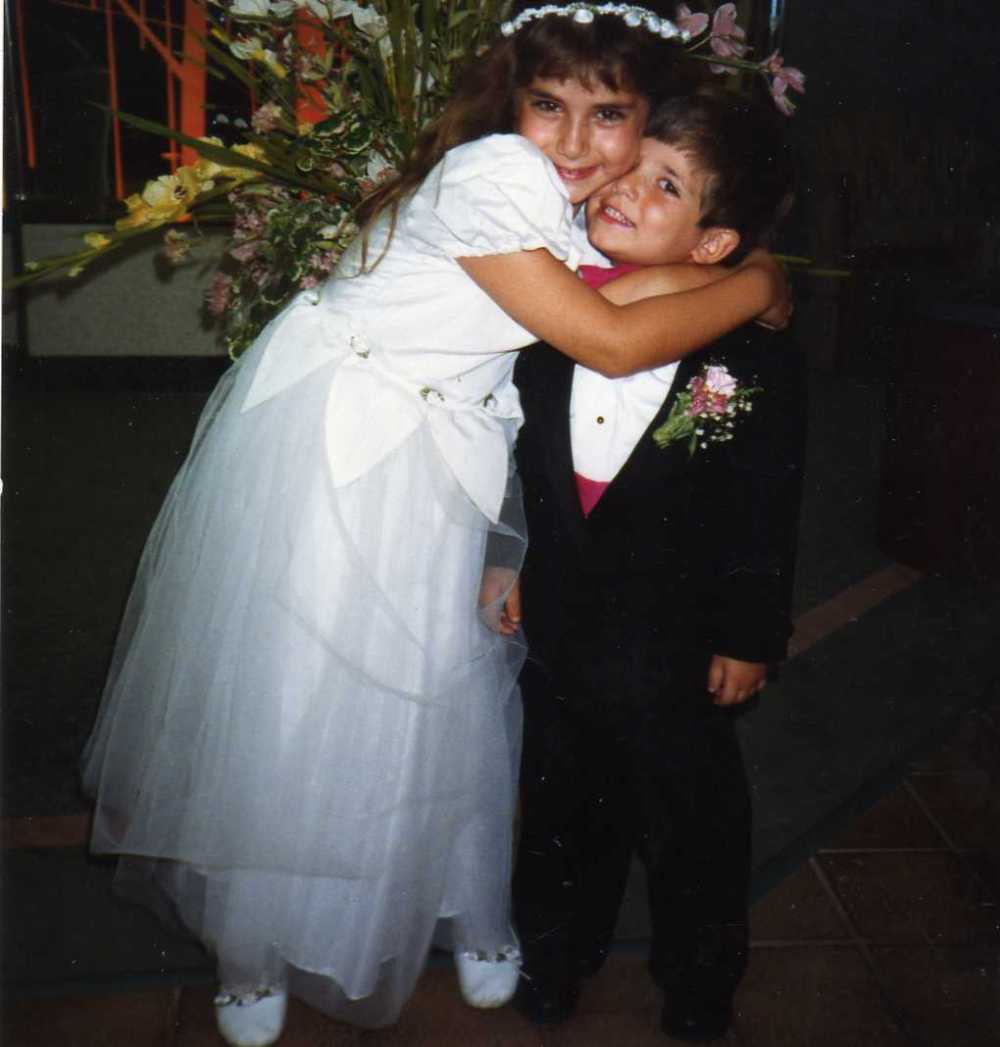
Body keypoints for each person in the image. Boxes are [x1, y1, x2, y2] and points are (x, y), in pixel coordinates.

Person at [80, 5, 788, 1045]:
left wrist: (713, 272)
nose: (579, 144)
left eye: (609, 116)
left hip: (445, 449)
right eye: (549, 107)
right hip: (343, 442)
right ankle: (251, 940)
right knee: (298, 687)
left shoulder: (567, 200)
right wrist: (759, 278)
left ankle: (466, 907)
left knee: (440, 683)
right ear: (511, 104)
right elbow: (608, 335)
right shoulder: (494, 176)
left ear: (647, 120)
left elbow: (616, 284)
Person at [510, 88, 807, 1042]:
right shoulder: (545, 301)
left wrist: (749, 634)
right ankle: (555, 959)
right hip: (560, 632)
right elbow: (514, 458)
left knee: (694, 831)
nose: (627, 189)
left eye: (666, 185)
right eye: (631, 164)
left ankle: (699, 984)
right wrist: (506, 559)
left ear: (715, 245)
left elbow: (767, 508)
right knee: (558, 817)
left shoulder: (747, 359)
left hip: (674, 652)